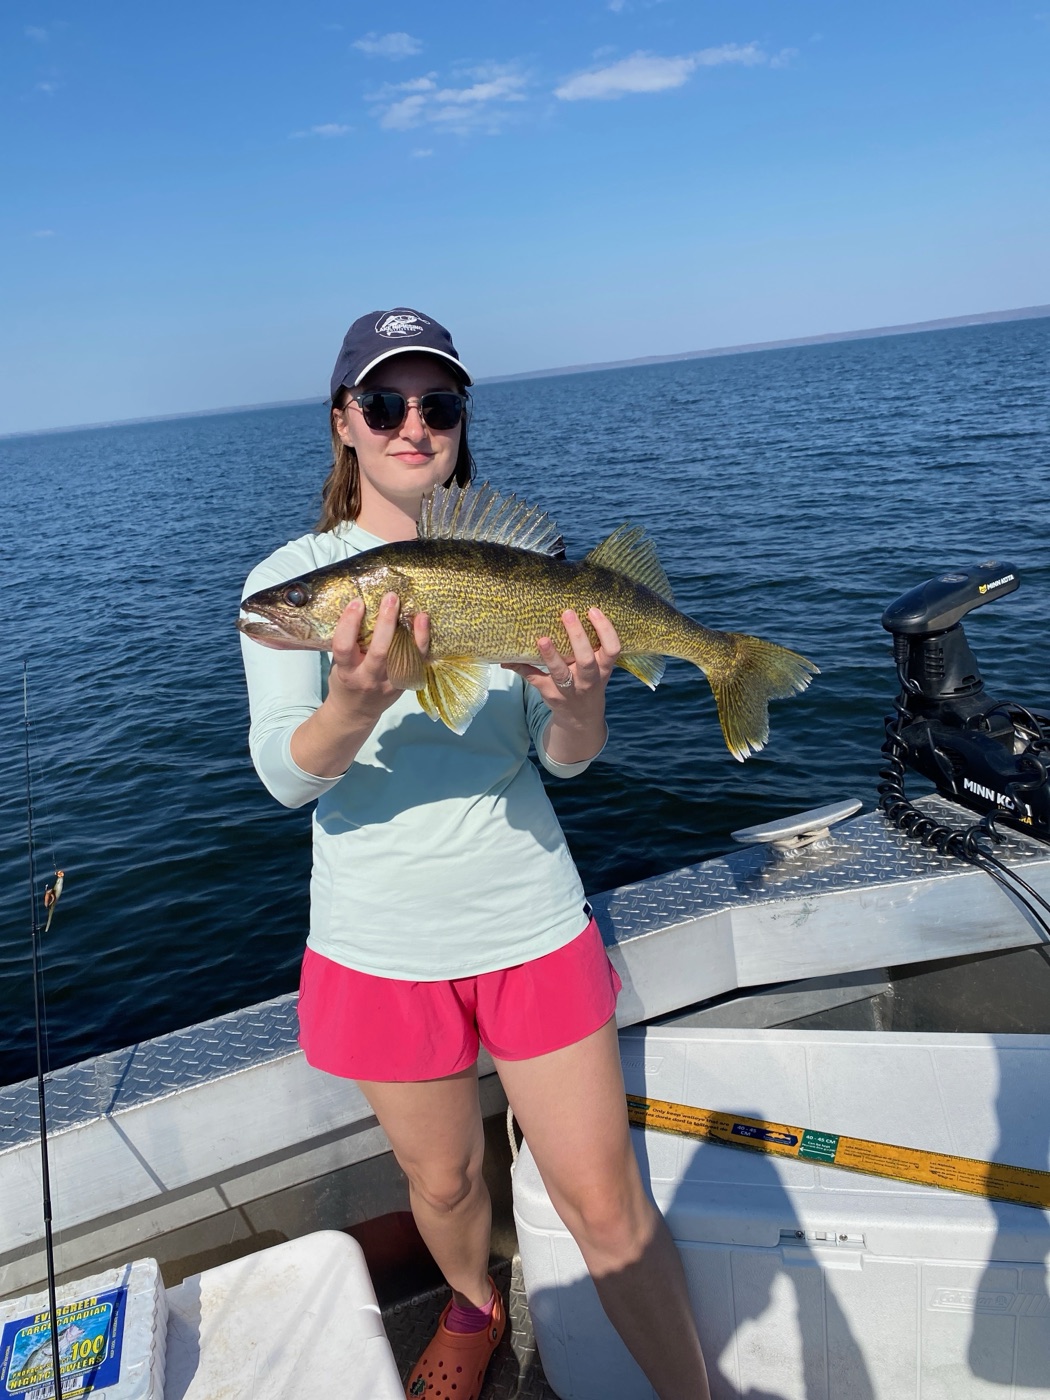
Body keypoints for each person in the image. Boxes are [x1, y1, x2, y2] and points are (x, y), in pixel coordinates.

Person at [240, 307, 712, 1400]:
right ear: (343, 422)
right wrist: (354, 700)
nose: (413, 425)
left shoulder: (523, 567)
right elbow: (284, 774)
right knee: (445, 1179)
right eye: (384, 403)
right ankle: (472, 1300)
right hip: (376, 942)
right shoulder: (292, 578)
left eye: (438, 405)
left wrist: (582, 701)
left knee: (605, 1202)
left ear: (458, 422)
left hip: (529, 917)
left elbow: (565, 758)